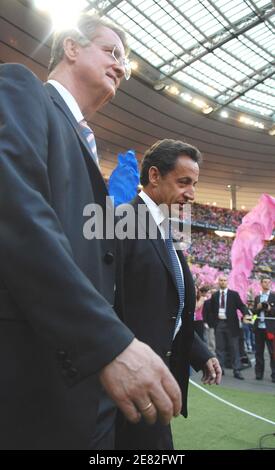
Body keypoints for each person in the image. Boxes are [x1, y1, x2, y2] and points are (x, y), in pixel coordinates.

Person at [0, 14, 182, 450]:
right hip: (33, 380)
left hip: (89, 394)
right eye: (112, 52)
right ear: (71, 47)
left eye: (125, 61)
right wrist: (106, 342)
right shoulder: (21, 88)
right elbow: (16, 211)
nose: (121, 66)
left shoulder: (90, 151)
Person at [114, 139, 221, 450]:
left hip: (157, 381)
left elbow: (165, 305)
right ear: (155, 176)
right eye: (184, 182)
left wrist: (199, 351)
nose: (191, 193)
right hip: (129, 385)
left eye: (195, 184)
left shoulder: (167, 230)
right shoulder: (121, 222)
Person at [210, 275, 248, 380]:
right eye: (221, 280)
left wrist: (246, 314)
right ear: (218, 282)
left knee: (234, 348)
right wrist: (213, 323)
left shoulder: (233, 295)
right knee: (219, 348)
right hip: (219, 324)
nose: (222, 282)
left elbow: (241, 306)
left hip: (231, 325)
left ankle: (237, 370)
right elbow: (211, 310)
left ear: (227, 282)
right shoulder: (215, 295)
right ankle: (220, 369)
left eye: (224, 280)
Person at [253, 277, 275, 382]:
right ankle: (258, 373)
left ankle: (274, 375)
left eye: (268, 282)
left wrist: (269, 308)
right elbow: (253, 312)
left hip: (271, 329)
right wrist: (257, 307)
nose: (267, 284)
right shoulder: (257, 297)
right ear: (261, 283)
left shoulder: (274, 296)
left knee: (272, 353)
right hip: (259, 328)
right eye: (265, 282)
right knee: (258, 352)